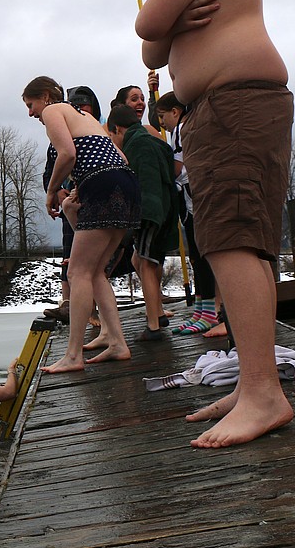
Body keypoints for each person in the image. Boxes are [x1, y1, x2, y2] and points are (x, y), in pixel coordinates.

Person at [135, 0, 294, 448]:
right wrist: (174, 23)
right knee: (236, 240)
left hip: (236, 104)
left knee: (232, 240)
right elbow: (153, 51)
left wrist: (167, 20)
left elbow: (146, 27)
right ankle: (256, 381)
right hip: (226, 107)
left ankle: (263, 393)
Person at [24, 76, 140, 372]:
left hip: (102, 185)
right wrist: (81, 187)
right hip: (126, 183)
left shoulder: (54, 110)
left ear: (47, 96)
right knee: (95, 272)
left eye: (31, 104)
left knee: (77, 273)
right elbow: (121, 156)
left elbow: (68, 154)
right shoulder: (85, 116)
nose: (31, 113)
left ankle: (73, 355)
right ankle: (117, 342)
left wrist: (51, 191)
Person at [107, 104, 179, 341]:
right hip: (166, 209)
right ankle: (158, 312)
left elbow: (142, 182)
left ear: (117, 128)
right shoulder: (154, 141)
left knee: (146, 263)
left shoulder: (137, 145)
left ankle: (154, 326)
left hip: (149, 212)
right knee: (138, 258)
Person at [158, 90, 221, 334]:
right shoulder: (177, 131)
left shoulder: (184, 129)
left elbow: (178, 167)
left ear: (175, 111)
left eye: (163, 116)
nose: (161, 122)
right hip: (187, 199)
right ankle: (202, 308)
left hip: (197, 197)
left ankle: (210, 311)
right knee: (196, 256)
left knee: (204, 255)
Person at [43, 85, 104, 325]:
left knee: (94, 260)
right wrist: (56, 191)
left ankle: (92, 307)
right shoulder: (57, 139)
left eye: (85, 107)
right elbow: (49, 171)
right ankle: (68, 303)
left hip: (95, 201)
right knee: (70, 254)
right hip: (69, 206)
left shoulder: (97, 132)